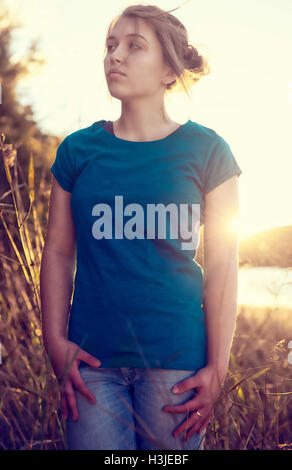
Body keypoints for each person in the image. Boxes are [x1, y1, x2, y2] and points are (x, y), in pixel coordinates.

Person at [40, 4, 242, 450]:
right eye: (111, 46)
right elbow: (56, 253)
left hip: (178, 367)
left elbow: (224, 264)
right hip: (91, 365)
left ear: (170, 70)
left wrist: (217, 367)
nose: (115, 56)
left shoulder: (209, 151)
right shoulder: (77, 151)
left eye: (135, 47)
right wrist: (55, 342)